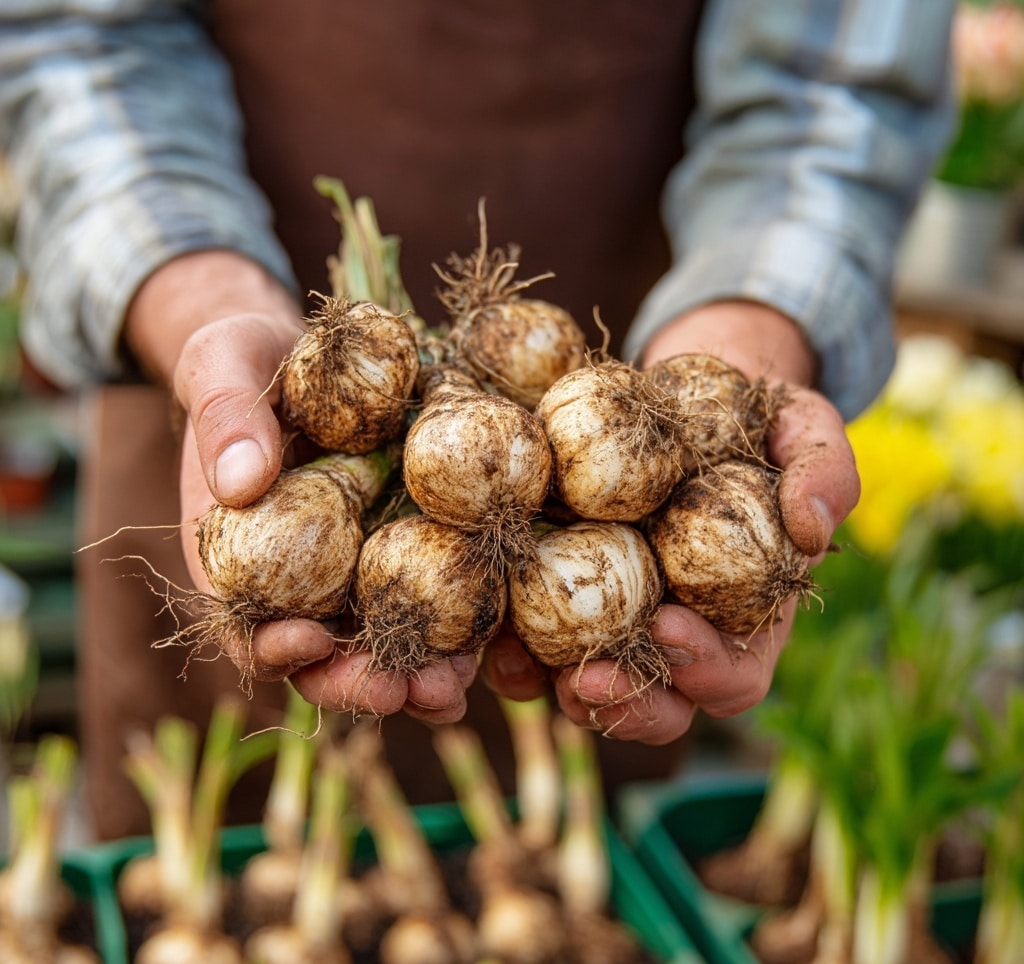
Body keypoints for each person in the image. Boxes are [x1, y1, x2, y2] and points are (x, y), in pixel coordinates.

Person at [0, 1, 956, 839]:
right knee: (210, 821)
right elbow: (76, 35)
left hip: (622, 339)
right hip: (241, 377)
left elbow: (832, 96)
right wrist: (195, 295)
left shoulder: (577, 417)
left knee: (572, 830)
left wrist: (756, 324)